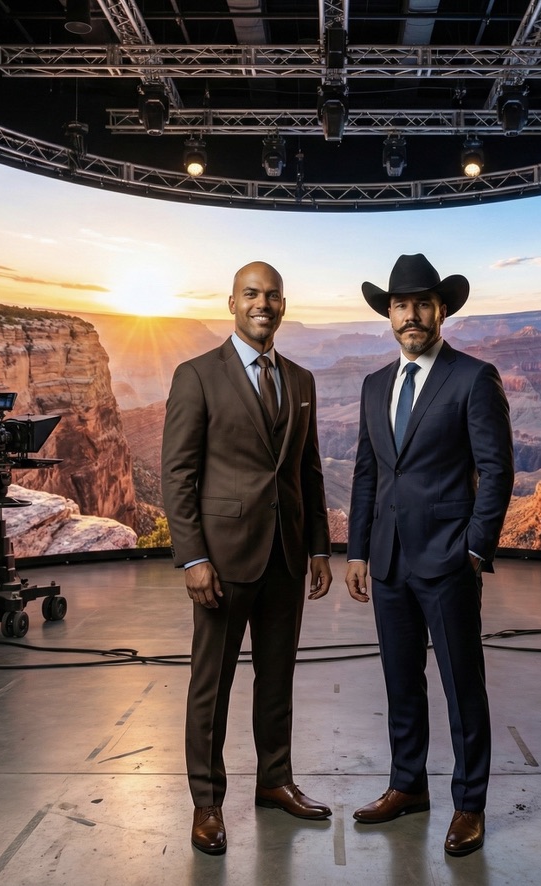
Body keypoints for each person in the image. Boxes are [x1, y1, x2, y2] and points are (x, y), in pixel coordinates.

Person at [161, 260, 333, 856]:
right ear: (232, 303)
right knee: (211, 685)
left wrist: (318, 546)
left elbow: (308, 471)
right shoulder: (196, 375)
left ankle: (275, 781)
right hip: (222, 560)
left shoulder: (302, 380)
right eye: (252, 294)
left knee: (277, 677)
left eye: (273, 295)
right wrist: (192, 558)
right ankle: (206, 802)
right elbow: (178, 475)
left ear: (284, 304)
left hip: (286, 555)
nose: (264, 304)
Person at [345, 253, 514, 857]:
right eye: (400, 305)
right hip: (388, 561)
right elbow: (368, 474)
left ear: (442, 310)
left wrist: (474, 550)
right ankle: (407, 786)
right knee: (401, 682)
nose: (410, 315)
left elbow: (496, 470)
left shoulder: (473, 377)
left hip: (448, 562)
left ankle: (469, 804)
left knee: (462, 686)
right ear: (388, 314)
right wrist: (358, 552)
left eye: (422, 303)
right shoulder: (373, 385)